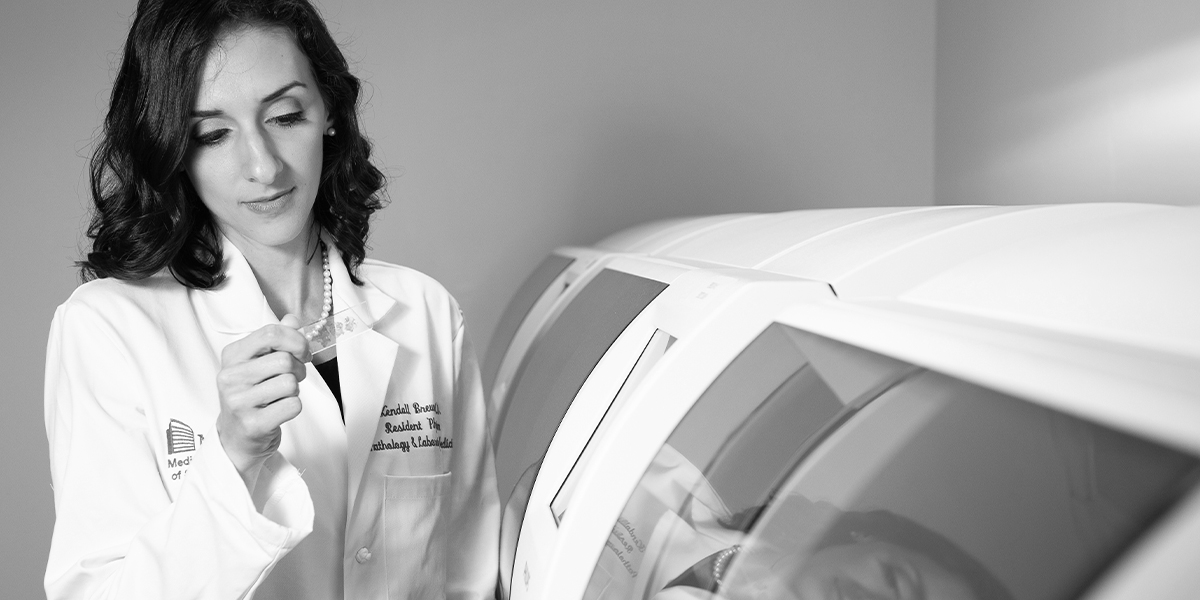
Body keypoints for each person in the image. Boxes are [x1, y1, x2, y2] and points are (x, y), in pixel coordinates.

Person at [43, 0, 499, 598]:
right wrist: (232, 456)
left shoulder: (425, 313)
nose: (262, 165)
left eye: (285, 116)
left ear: (328, 110)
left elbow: (468, 571)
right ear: (173, 148)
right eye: (212, 134)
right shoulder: (108, 329)